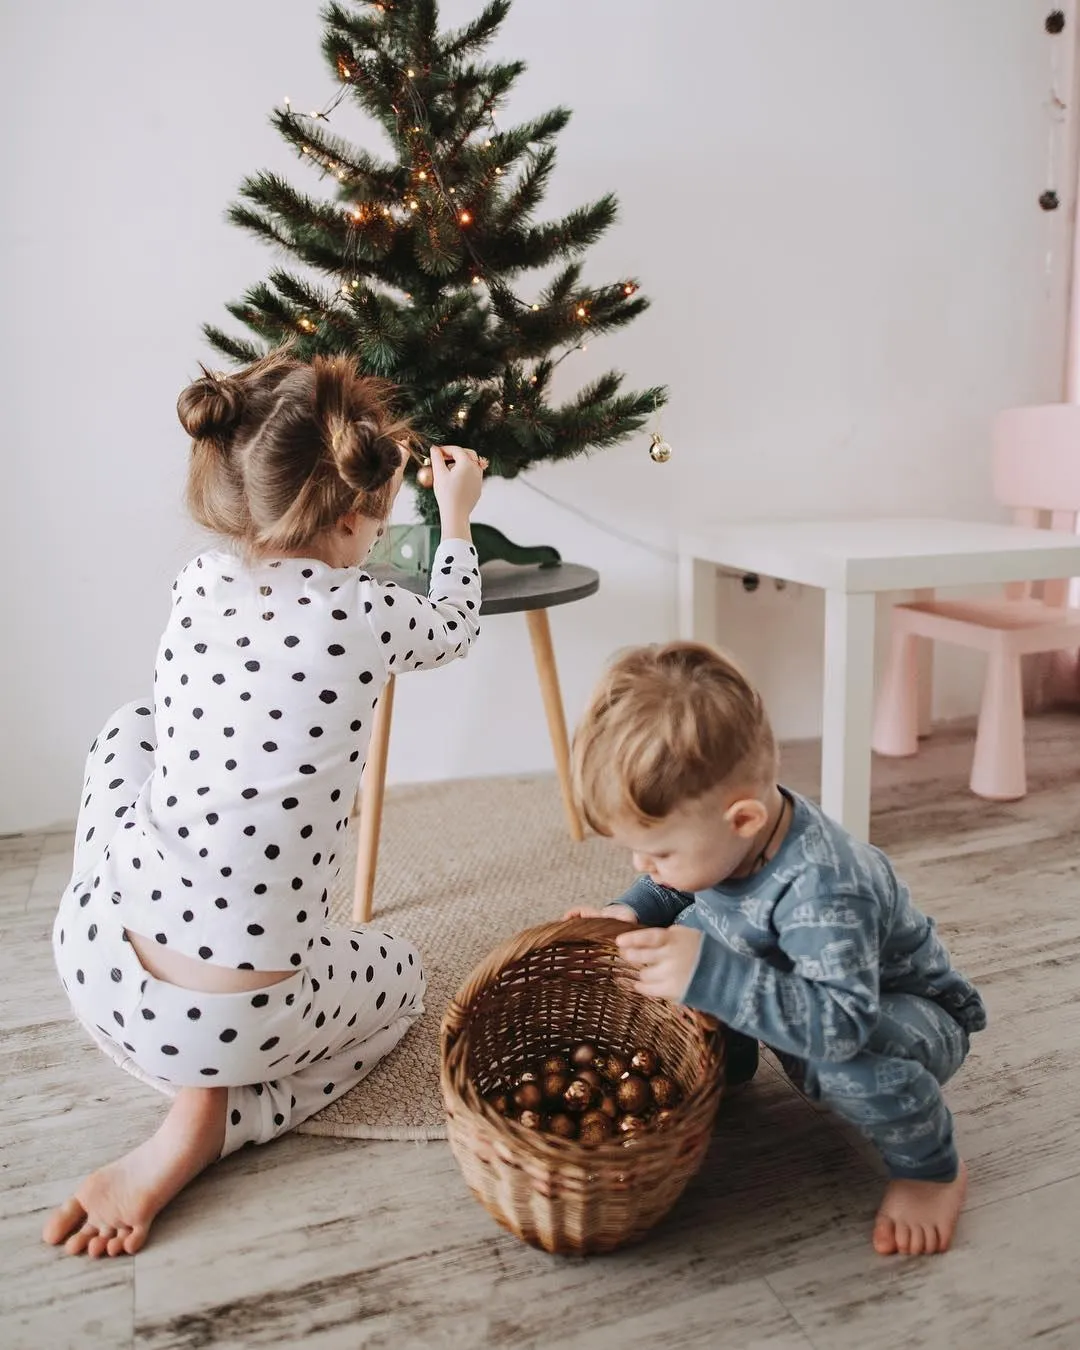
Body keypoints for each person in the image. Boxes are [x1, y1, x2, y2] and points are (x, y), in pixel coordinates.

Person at [44, 347, 486, 1258]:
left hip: (99, 966)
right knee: (401, 979)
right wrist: (456, 522)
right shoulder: (368, 610)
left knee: (130, 731)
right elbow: (456, 626)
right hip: (243, 1027)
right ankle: (220, 1118)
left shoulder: (198, 581)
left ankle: (192, 1074)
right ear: (361, 511)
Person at [567, 641, 986, 1257]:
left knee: (840, 1066)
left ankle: (932, 1172)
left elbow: (843, 1026)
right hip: (790, 990)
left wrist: (711, 976)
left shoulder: (825, 890)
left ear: (742, 820)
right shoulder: (732, 828)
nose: (643, 865)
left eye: (658, 853)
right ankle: (728, 1072)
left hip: (896, 1014)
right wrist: (634, 908)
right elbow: (678, 891)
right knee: (693, 944)